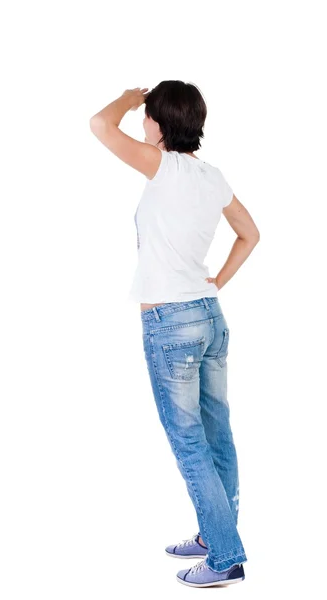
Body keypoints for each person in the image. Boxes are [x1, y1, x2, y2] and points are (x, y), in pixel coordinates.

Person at [90, 80, 260, 588]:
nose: (143, 124)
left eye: (149, 118)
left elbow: (100, 125)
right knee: (216, 435)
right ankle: (216, 535)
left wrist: (128, 96)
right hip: (209, 315)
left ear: (159, 125)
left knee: (189, 444)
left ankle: (224, 555)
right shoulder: (213, 177)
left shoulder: (160, 165)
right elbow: (251, 233)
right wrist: (217, 282)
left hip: (172, 324)